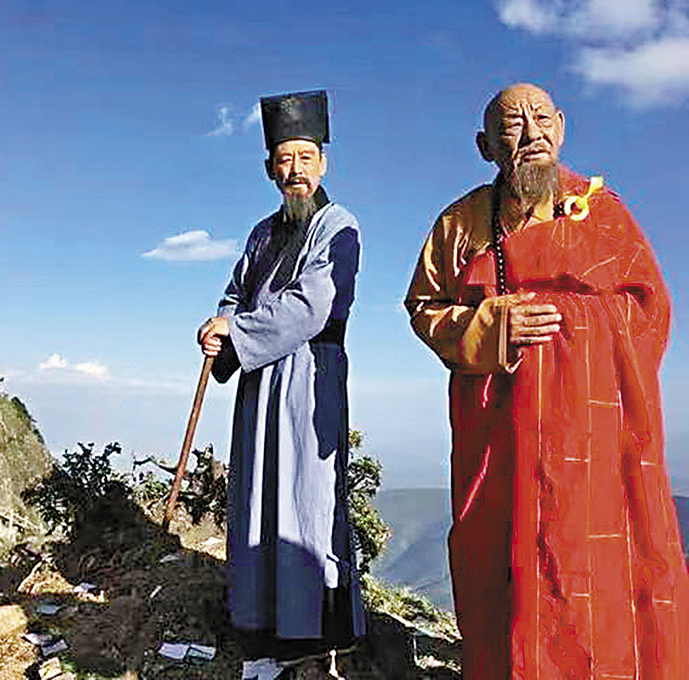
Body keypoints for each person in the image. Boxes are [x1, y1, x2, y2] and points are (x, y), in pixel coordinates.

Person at [405, 82, 689, 678]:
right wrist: (493, 322)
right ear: (485, 145)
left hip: (590, 432)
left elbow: (650, 307)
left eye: (541, 119)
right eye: (512, 124)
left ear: (560, 128)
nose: (531, 133)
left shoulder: (602, 212)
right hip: (497, 425)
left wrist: (577, 331)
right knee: (494, 555)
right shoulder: (459, 223)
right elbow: (425, 306)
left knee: (589, 565)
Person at [197, 89, 365, 661]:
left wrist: (238, 336)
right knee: (258, 494)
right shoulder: (262, 234)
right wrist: (219, 323)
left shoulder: (339, 227)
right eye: (283, 160)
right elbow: (234, 291)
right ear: (270, 169)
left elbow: (312, 307)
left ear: (323, 162)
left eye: (304, 158)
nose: (294, 171)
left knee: (306, 495)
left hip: (308, 377)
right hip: (258, 380)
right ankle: (260, 622)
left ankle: (315, 630)